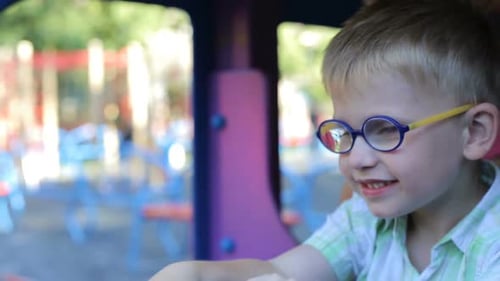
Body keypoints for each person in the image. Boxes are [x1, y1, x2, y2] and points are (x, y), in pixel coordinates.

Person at [149, 0, 500, 280]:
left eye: (386, 129)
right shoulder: (363, 221)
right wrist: (197, 273)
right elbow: (283, 272)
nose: (356, 159)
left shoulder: (492, 245)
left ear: (475, 132)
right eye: (345, 133)